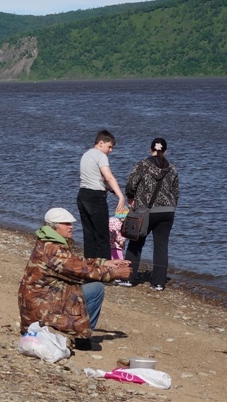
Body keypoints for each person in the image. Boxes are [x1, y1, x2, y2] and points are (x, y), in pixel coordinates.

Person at [18, 207, 132, 351]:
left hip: (36, 305)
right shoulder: (54, 249)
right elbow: (84, 271)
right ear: (54, 226)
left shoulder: (47, 242)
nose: (71, 227)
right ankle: (81, 338)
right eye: (66, 224)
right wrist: (116, 273)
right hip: (40, 312)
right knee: (96, 288)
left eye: (71, 224)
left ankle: (77, 331)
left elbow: (75, 263)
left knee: (84, 285)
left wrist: (105, 263)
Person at [120, 137, 180, 291]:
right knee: (161, 246)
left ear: (150, 149)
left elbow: (131, 184)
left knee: (136, 242)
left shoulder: (142, 164)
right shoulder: (172, 168)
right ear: (165, 151)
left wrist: (130, 198)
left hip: (145, 210)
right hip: (167, 211)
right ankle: (159, 283)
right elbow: (176, 192)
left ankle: (128, 278)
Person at [77, 130, 126, 259]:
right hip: (95, 197)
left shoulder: (86, 155)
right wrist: (121, 196)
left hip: (82, 195)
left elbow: (96, 179)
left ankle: (90, 265)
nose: (111, 150)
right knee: (102, 235)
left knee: (89, 234)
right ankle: (104, 267)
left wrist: (111, 189)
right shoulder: (100, 155)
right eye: (109, 147)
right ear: (101, 143)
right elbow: (108, 177)